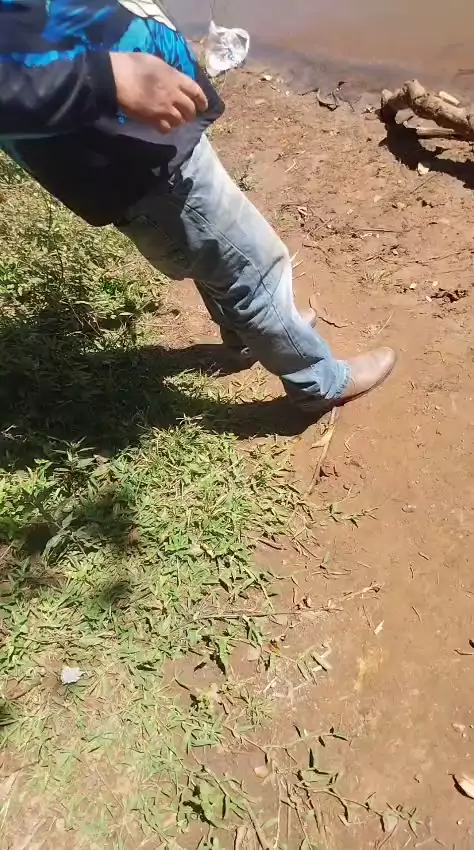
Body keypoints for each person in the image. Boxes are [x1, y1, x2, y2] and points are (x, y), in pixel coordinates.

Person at [0, 0, 396, 417]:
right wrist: (104, 77)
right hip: (135, 162)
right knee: (254, 268)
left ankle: (247, 337)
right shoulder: (100, 85)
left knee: (215, 260)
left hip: (146, 142)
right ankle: (319, 382)